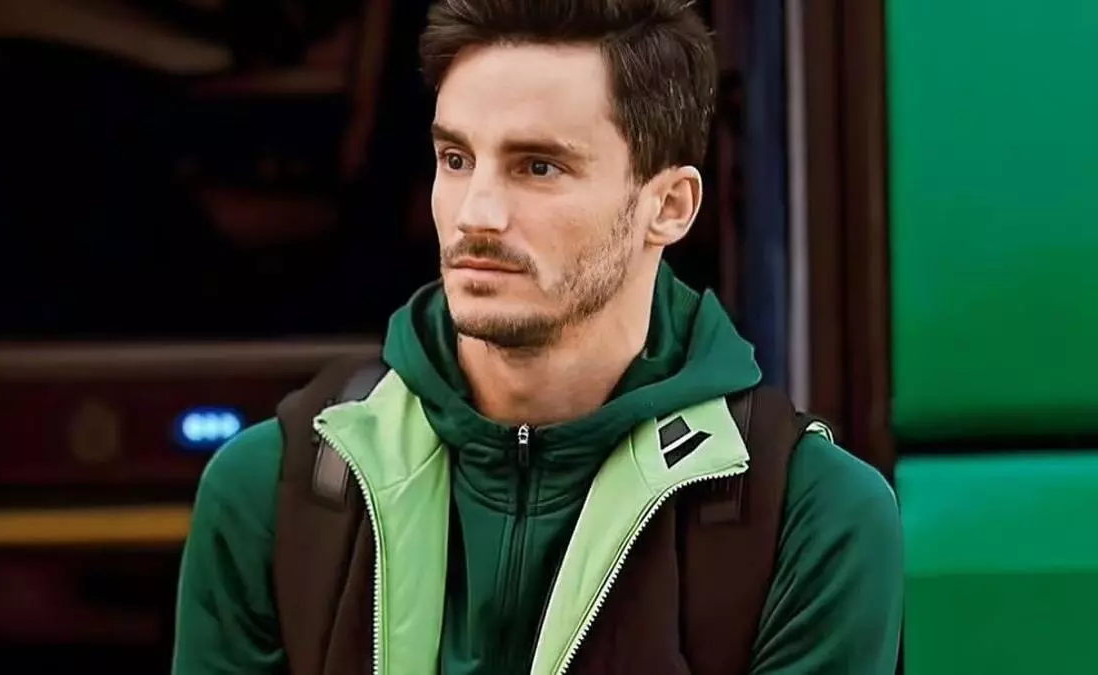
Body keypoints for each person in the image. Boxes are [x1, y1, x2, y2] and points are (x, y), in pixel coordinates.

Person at [171, 1, 904, 673]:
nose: (476, 214)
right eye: (456, 159)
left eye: (538, 167)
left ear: (669, 207)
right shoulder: (275, 493)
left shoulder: (810, 518)